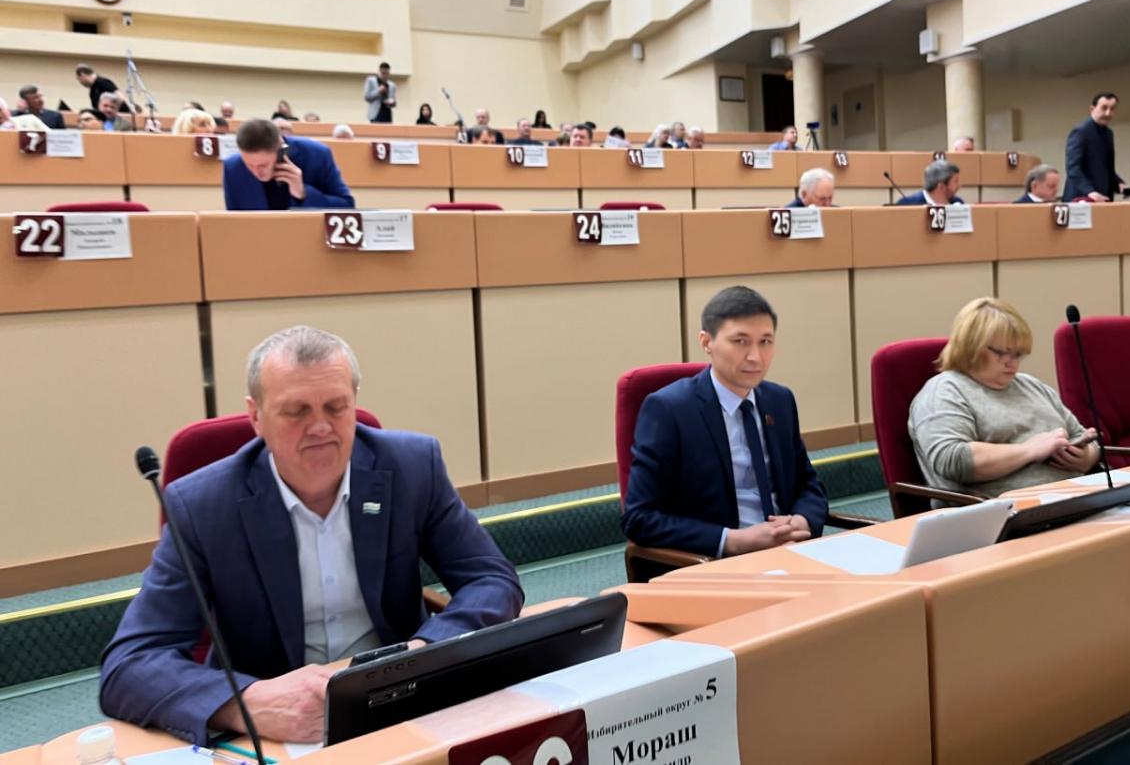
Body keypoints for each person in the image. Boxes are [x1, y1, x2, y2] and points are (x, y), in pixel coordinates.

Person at [99, 326, 523, 743]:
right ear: (256, 417)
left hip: (400, 702)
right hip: (278, 726)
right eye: (296, 411)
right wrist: (244, 704)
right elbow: (130, 663)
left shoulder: (412, 467)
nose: (320, 427)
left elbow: (491, 579)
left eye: (336, 407)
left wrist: (426, 653)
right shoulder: (202, 505)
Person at [621, 286, 829, 558]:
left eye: (765, 341)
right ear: (706, 342)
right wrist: (733, 540)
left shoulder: (780, 400)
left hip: (790, 551)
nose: (755, 356)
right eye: (740, 341)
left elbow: (809, 485)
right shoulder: (669, 410)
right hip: (717, 561)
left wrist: (802, 521)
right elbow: (639, 518)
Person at [909, 298, 1100, 498]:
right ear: (970, 346)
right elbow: (953, 460)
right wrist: (1030, 450)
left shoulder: (1032, 385)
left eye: (1018, 354)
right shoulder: (944, 391)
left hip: (1076, 498)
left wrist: (1086, 457)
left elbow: (1082, 436)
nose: (1012, 363)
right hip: (1004, 511)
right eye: (1001, 353)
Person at [223, 118, 354, 210]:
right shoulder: (232, 167)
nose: (256, 173)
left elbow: (347, 206)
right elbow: (235, 222)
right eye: (249, 165)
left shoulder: (317, 155)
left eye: (263, 165)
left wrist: (304, 193)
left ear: (281, 150)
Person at [1063, 92, 1125, 202]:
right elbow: (1073, 168)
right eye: (1104, 108)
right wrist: (1089, 191)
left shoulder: (1108, 133)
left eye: (1112, 109)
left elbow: (1106, 167)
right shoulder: (1080, 132)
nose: (1108, 113)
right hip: (1081, 198)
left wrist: (1118, 183)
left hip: (1103, 197)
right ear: (1092, 109)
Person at [894, 160, 966, 206]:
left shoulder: (957, 203)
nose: (959, 186)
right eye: (955, 181)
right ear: (941, 187)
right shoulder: (908, 204)